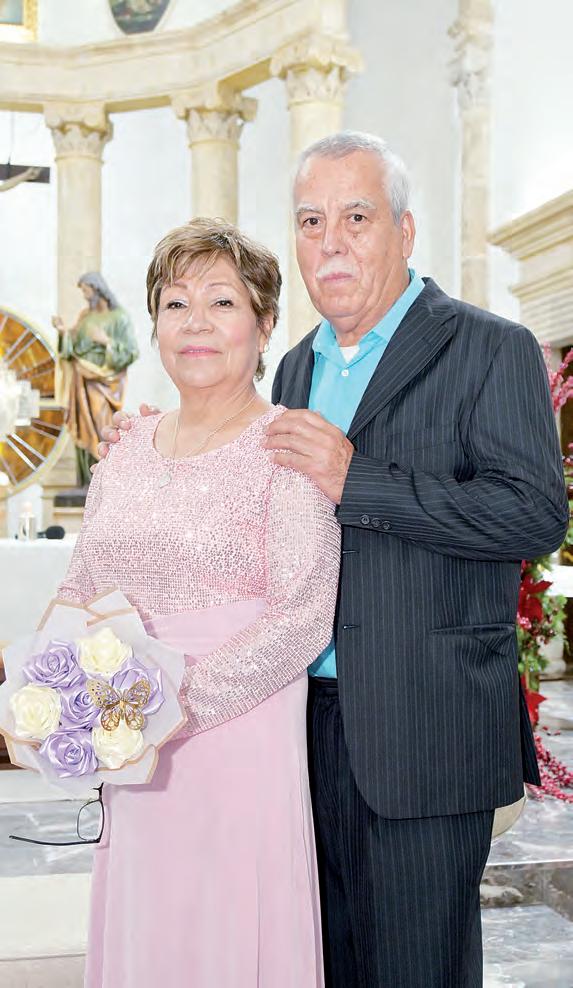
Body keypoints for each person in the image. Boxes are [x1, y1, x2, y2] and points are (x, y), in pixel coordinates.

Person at [100, 132, 569, 988]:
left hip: (424, 730)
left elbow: (534, 515)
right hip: (291, 731)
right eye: (310, 221)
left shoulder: (486, 347)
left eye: (356, 217)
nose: (331, 242)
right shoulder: (291, 369)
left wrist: (362, 482)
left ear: (404, 229)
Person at [57, 219, 340, 988]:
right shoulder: (123, 450)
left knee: (226, 928)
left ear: (264, 324)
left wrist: (169, 704)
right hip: (133, 738)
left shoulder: (289, 446)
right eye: (175, 304)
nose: (196, 322)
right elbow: (82, 584)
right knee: (148, 925)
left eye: (222, 301)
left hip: (233, 735)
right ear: (153, 326)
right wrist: (64, 692)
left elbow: (303, 615)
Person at [52, 272, 139, 485]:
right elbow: (71, 349)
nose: (84, 295)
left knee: (102, 425)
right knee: (82, 427)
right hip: (81, 379)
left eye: (86, 290)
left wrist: (107, 341)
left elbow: (131, 351)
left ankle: (101, 479)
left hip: (104, 382)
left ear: (97, 289)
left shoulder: (119, 317)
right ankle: (85, 481)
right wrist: (63, 333)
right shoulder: (85, 316)